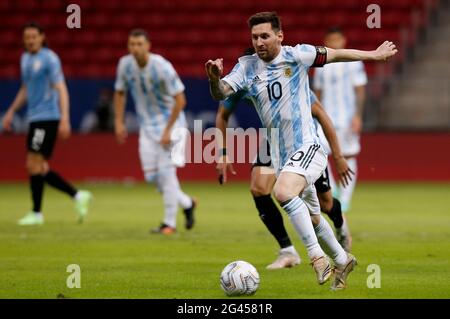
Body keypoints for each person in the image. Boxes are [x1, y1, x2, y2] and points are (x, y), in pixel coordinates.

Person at [205, 12, 396, 289]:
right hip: (282, 156)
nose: (259, 42)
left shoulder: (298, 55)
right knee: (314, 216)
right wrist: (213, 79)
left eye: (265, 36)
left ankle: (316, 257)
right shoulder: (246, 67)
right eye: (255, 37)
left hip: (309, 147)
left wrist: (374, 55)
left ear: (279, 36)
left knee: (282, 192)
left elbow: (337, 54)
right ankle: (343, 259)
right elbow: (221, 93)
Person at [216, 88, 352, 270]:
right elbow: (222, 115)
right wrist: (223, 153)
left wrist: (338, 155)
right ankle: (288, 251)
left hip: (304, 141)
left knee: (325, 205)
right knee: (258, 188)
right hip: (275, 141)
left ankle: (340, 225)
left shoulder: (289, 74)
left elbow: (320, 113)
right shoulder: (244, 78)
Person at [1, 22, 92, 226]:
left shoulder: (50, 59)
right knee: (40, 167)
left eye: (34, 36)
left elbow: (61, 88)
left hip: (48, 117)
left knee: (32, 164)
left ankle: (37, 213)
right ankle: (78, 196)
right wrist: (11, 112)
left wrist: (65, 118)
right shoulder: (24, 59)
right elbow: (25, 89)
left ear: (42, 37)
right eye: (27, 37)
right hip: (35, 117)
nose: (31, 40)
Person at [114, 29, 196, 235]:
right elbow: (120, 92)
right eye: (132, 44)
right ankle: (187, 203)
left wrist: (168, 131)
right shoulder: (125, 65)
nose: (135, 48)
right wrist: (118, 121)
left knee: (167, 174)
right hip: (147, 128)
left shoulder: (161, 67)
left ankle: (169, 223)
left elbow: (180, 100)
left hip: (172, 125)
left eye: (139, 44)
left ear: (148, 45)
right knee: (153, 178)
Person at [314, 27, 368, 250]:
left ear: (343, 40)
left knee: (347, 156)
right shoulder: (321, 65)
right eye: (330, 40)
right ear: (326, 41)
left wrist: (357, 115)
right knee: (319, 155)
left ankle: (343, 202)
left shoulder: (354, 62)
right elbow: (316, 94)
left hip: (346, 120)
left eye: (337, 39)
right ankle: (334, 193)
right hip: (326, 119)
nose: (334, 43)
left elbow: (360, 91)